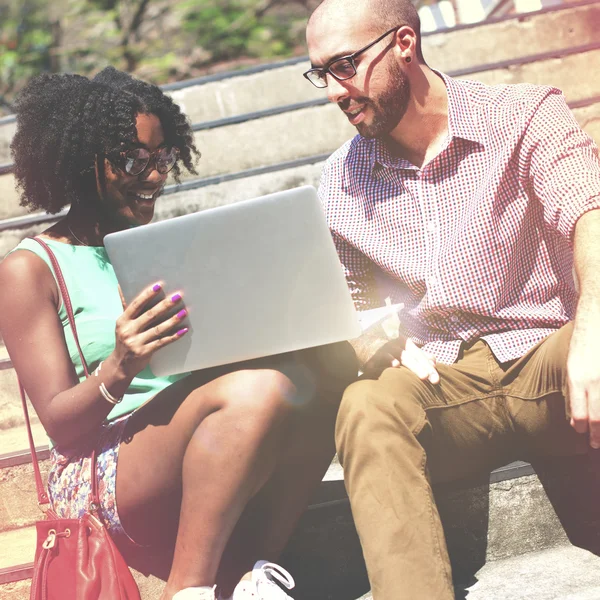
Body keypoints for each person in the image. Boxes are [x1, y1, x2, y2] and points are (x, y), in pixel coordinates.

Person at [0, 67, 357, 600]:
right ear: (80, 163)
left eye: (161, 157)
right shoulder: (31, 268)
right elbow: (60, 424)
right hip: (101, 469)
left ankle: (247, 575)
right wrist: (121, 364)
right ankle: (188, 591)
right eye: (131, 160)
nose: (153, 175)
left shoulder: (175, 248)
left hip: (205, 439)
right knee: (254, 390)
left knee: (329, 366)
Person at [304, 0, 600, 598]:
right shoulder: (339, 181)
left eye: (345, 65)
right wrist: (377, 345)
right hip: (446, 385)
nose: (335, 91)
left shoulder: (523, 116)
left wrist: (593, 335)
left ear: (404, 44)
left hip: (551, 359)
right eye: (320, 73)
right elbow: (348, 302)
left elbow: (589, 214)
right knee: (365, 403)